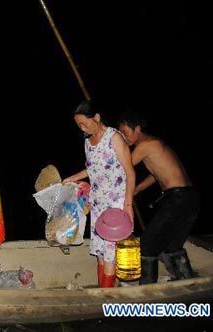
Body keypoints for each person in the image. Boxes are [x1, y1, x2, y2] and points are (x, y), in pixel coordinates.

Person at [118, 111, 199, 284]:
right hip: (189, 197)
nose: (124, 138)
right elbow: (156, 175)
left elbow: (123, 166)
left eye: (125, 133)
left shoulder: (147, 145)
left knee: (147, 243)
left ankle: (147, 290)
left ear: (137, 129)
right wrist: (136, 190)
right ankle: (188, 283)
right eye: (121, 135)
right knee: (173, 245)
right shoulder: (154, 144)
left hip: (178, 198)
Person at [62, 101, 135, 288]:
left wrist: (128, 205)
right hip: (98, 204)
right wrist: (72, 178)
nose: (82, 128)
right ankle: (103, 293)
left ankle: (107, 298)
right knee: (100, 254)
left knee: (110, 253)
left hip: (116, 204)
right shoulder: (87, 142)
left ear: (97, 117)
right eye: (78, 125)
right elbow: (92, 169)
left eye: (84, 123)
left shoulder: (114, 138)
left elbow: (130, 172)